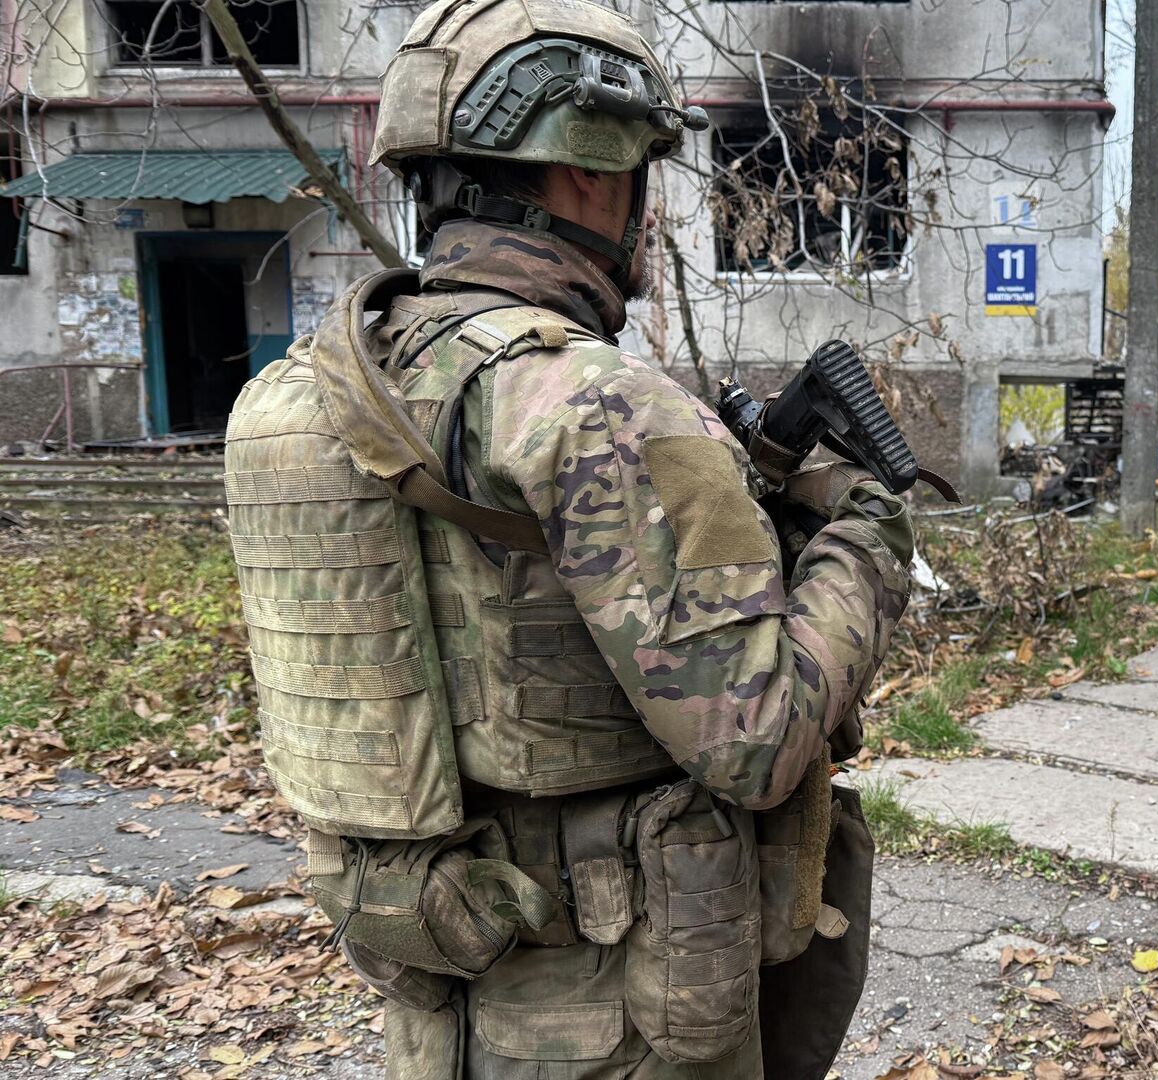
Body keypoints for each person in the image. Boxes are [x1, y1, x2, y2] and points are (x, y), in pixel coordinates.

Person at [221, 3, 912, 1077]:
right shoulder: (592, 404)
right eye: (643, 176)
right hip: (618, 1019)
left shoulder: (310, 392)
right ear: (591, 174)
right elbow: (759, 737)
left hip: (440, 996)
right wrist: (867, 535)